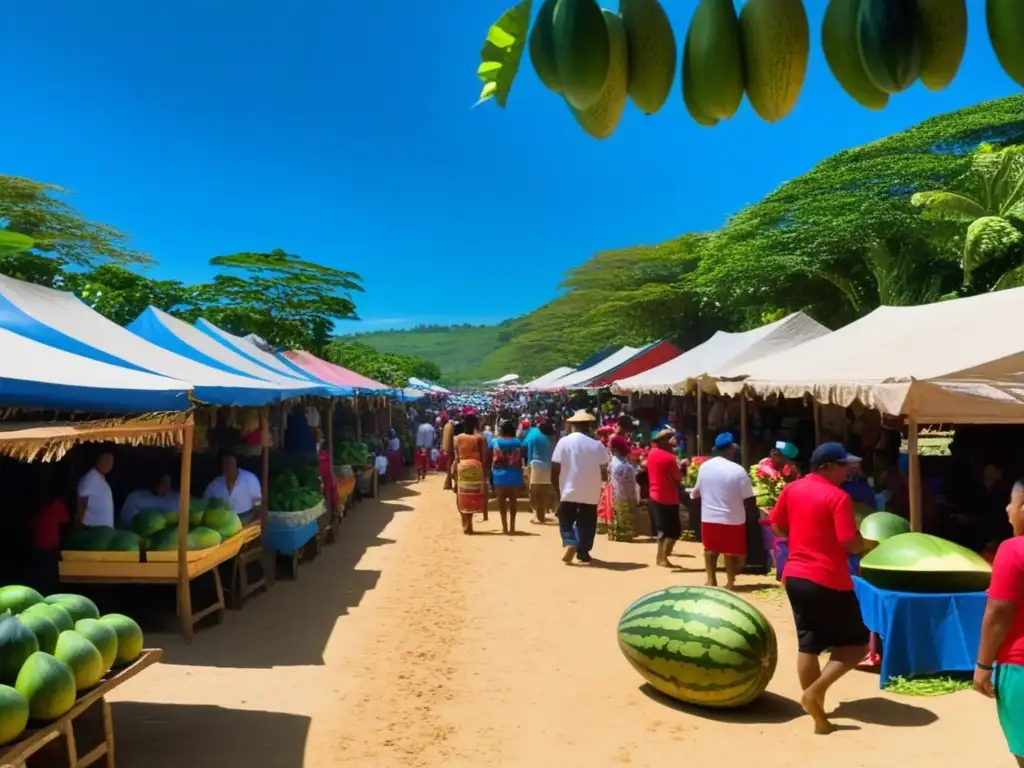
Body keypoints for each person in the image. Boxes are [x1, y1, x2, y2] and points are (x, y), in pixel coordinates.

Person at [770, 442, 868, 735]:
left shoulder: (793, 489)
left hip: (795, 577)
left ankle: (819, 716)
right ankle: (816, 692)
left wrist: (803, 536)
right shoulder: (838, 497)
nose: (847, 472)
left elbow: (776, 527)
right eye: (842, 466)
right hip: (828, 578)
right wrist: (865, 545)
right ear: (826, 467)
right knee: (856, 645)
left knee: (809, 644)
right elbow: (848, 542)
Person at [975, 479, 1024, 765]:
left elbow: (998, 613)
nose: (1007, 509)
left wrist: (982, 666)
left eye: (1011, 502)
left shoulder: (1013, 549)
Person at [691, 433, 759, 589]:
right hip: (733, 518)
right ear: (730, 449)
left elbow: (696, 492)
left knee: (710, 549)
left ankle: (711, 579)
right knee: (731, 551)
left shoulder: (704, 467)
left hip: (709, 517)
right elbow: (748, 498)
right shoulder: (738, 471)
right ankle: (730, 583)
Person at [551, 409, 609, 564]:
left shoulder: (563, 442)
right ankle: (583, 552)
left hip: (568, 489)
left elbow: (555, 468)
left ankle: (570, 541)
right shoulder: (596, 445)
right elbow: (604, 467)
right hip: (590, 490)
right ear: (588, 426)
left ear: (573, 426)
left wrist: (557, 491)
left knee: (565, 519)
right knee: (588, 523)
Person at [647, 428, 683, 566]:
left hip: (655, 495)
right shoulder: (669, 458)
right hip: (667, 497)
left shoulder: (652, 453)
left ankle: (662, 555)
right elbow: (678, 478)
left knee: (663, 529)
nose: (672, 441)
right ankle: (662, 557)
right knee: (672, 531)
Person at [452, 413, 489, 534]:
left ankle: (465, 521)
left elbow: (457, 457)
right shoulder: (480, 438)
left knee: (461, 495)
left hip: (462, 467)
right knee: (472, 496)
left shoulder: (458, 438)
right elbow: (484, 459)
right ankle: (469, 522)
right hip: (476, 467)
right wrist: (485, 474)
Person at [204, 451, 263, 523]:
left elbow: (258, 505)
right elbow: (205, 506)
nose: (228, 466)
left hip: (247, 519)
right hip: (222, 522)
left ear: (236, 462)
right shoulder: (214, 486)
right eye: (225, 463)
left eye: (230, 462)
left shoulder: (250, 479)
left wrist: (254, 522)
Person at [490, 419, 525, 534]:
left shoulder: (494, 442)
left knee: (501, 503)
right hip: (514, 475)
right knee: (513, 502)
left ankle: (504, 527)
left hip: (499, 476)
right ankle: (512, 527)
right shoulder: (518, 442)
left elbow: (488, 455)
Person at [523, 420, 556, 524]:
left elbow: (526, 446)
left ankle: (537, 515)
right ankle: (541, 515)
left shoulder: (532, 433)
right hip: (548, 465)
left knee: (533, 492)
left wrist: (527, 465)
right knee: (543, 492)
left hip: (535, 464)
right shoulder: (551, 436)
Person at [608, 435, 637, 541]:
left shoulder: (612, 461)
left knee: (616, 511)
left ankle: (615, 533)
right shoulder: (624, 464)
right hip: (623, 492)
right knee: (624, 511)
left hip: (614, 491)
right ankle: (623, 533)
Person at [77, 450, 115, 529]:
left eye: (110, 461)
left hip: (103, 534)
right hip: (92, 532)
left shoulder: (102, 480)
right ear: (98, 460)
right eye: (105, 460)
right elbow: (81, 504)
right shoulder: (90, 478)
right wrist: (78, 528)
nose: (108, 464)